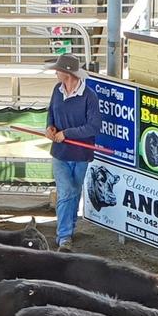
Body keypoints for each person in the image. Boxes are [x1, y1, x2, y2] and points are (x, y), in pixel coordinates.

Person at [44, 54, 101, 253]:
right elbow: (51, 112)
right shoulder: (57, 91)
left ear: (66, 73)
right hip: (62, 152)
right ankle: (64, 236)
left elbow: (94, 126)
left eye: (57, 70)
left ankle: (67, 231)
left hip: (80, 153)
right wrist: (50, 127)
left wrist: (66, 133)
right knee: (67, 192)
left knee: (72, 193)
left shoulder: (90, 97)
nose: (55, 72)